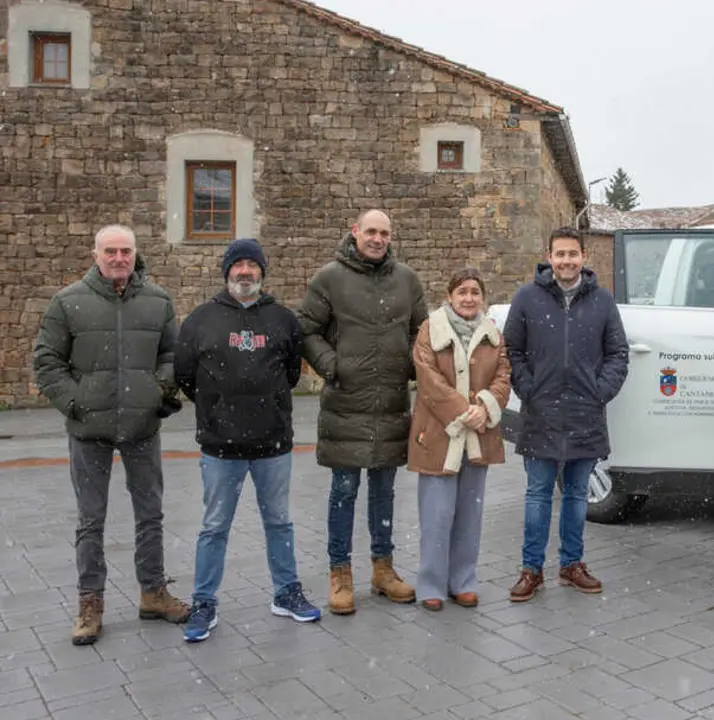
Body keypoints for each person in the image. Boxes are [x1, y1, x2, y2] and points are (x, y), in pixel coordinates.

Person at [32, 224, 191, 646]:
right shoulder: (67, 303)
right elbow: (47, 362)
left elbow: (173, 355)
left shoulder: (157, 302)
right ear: (95, 254)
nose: (119, 258)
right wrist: (76, 403)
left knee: (151, 513)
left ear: (136, 254)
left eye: (125, 251)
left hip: (142, 426)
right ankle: (90, 601)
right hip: (89, 429)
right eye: (111, 251)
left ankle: (153, 591)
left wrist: (157, 391)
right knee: (90, 519)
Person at [174, 239, 322, 642]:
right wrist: (218, 406)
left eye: (251, 265)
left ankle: (286, 592)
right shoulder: (201, 320)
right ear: (226, 272)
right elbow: (185, 374)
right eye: (237, 265)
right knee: (214, 526)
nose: (245, 271)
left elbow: (291, 373)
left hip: (273, 443)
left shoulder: (282, 319)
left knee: (279, 522)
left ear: (262, 272)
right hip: (220, 447)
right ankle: (204, 601)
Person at [298, 209, 428, 614]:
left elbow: (422, 334)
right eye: (370, 231)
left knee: (384, 494)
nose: (377, 238)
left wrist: (407, 368)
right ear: (355, 232)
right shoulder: (329, 278)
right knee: (343, 493)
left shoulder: (407, 280)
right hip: (346, 404)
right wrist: (334, 366)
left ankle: (383, 570)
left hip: (390, 404)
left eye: (384, 232)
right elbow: (306, 330)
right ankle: (340, 574)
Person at [503, 226, 629, 602]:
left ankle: (572, 564)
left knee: (576, 495)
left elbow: (618, 354)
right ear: (549, 256)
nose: (566, 261)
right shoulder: (527, 298)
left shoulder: (603, 302)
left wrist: (599, 392)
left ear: (583, 257)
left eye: (572, 254)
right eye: (560, 254)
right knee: (538, 494)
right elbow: (512, 351)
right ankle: (531, 569)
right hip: (540, 412)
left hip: (585, 413)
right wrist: (529, 390)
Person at [407, 267, 511, 610]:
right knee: (437, 515)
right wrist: (463, 411)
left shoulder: (493, 333)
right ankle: (431, 585)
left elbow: (503, 375)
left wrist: (485, 405)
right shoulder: (429, 329)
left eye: (475, 292)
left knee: (470, 513)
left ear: (483, 298)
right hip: (438, 435)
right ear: (449, 296)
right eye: (462, 291)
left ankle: (463, 580)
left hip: (478, 437)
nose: (469, 298)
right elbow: (428, 377)